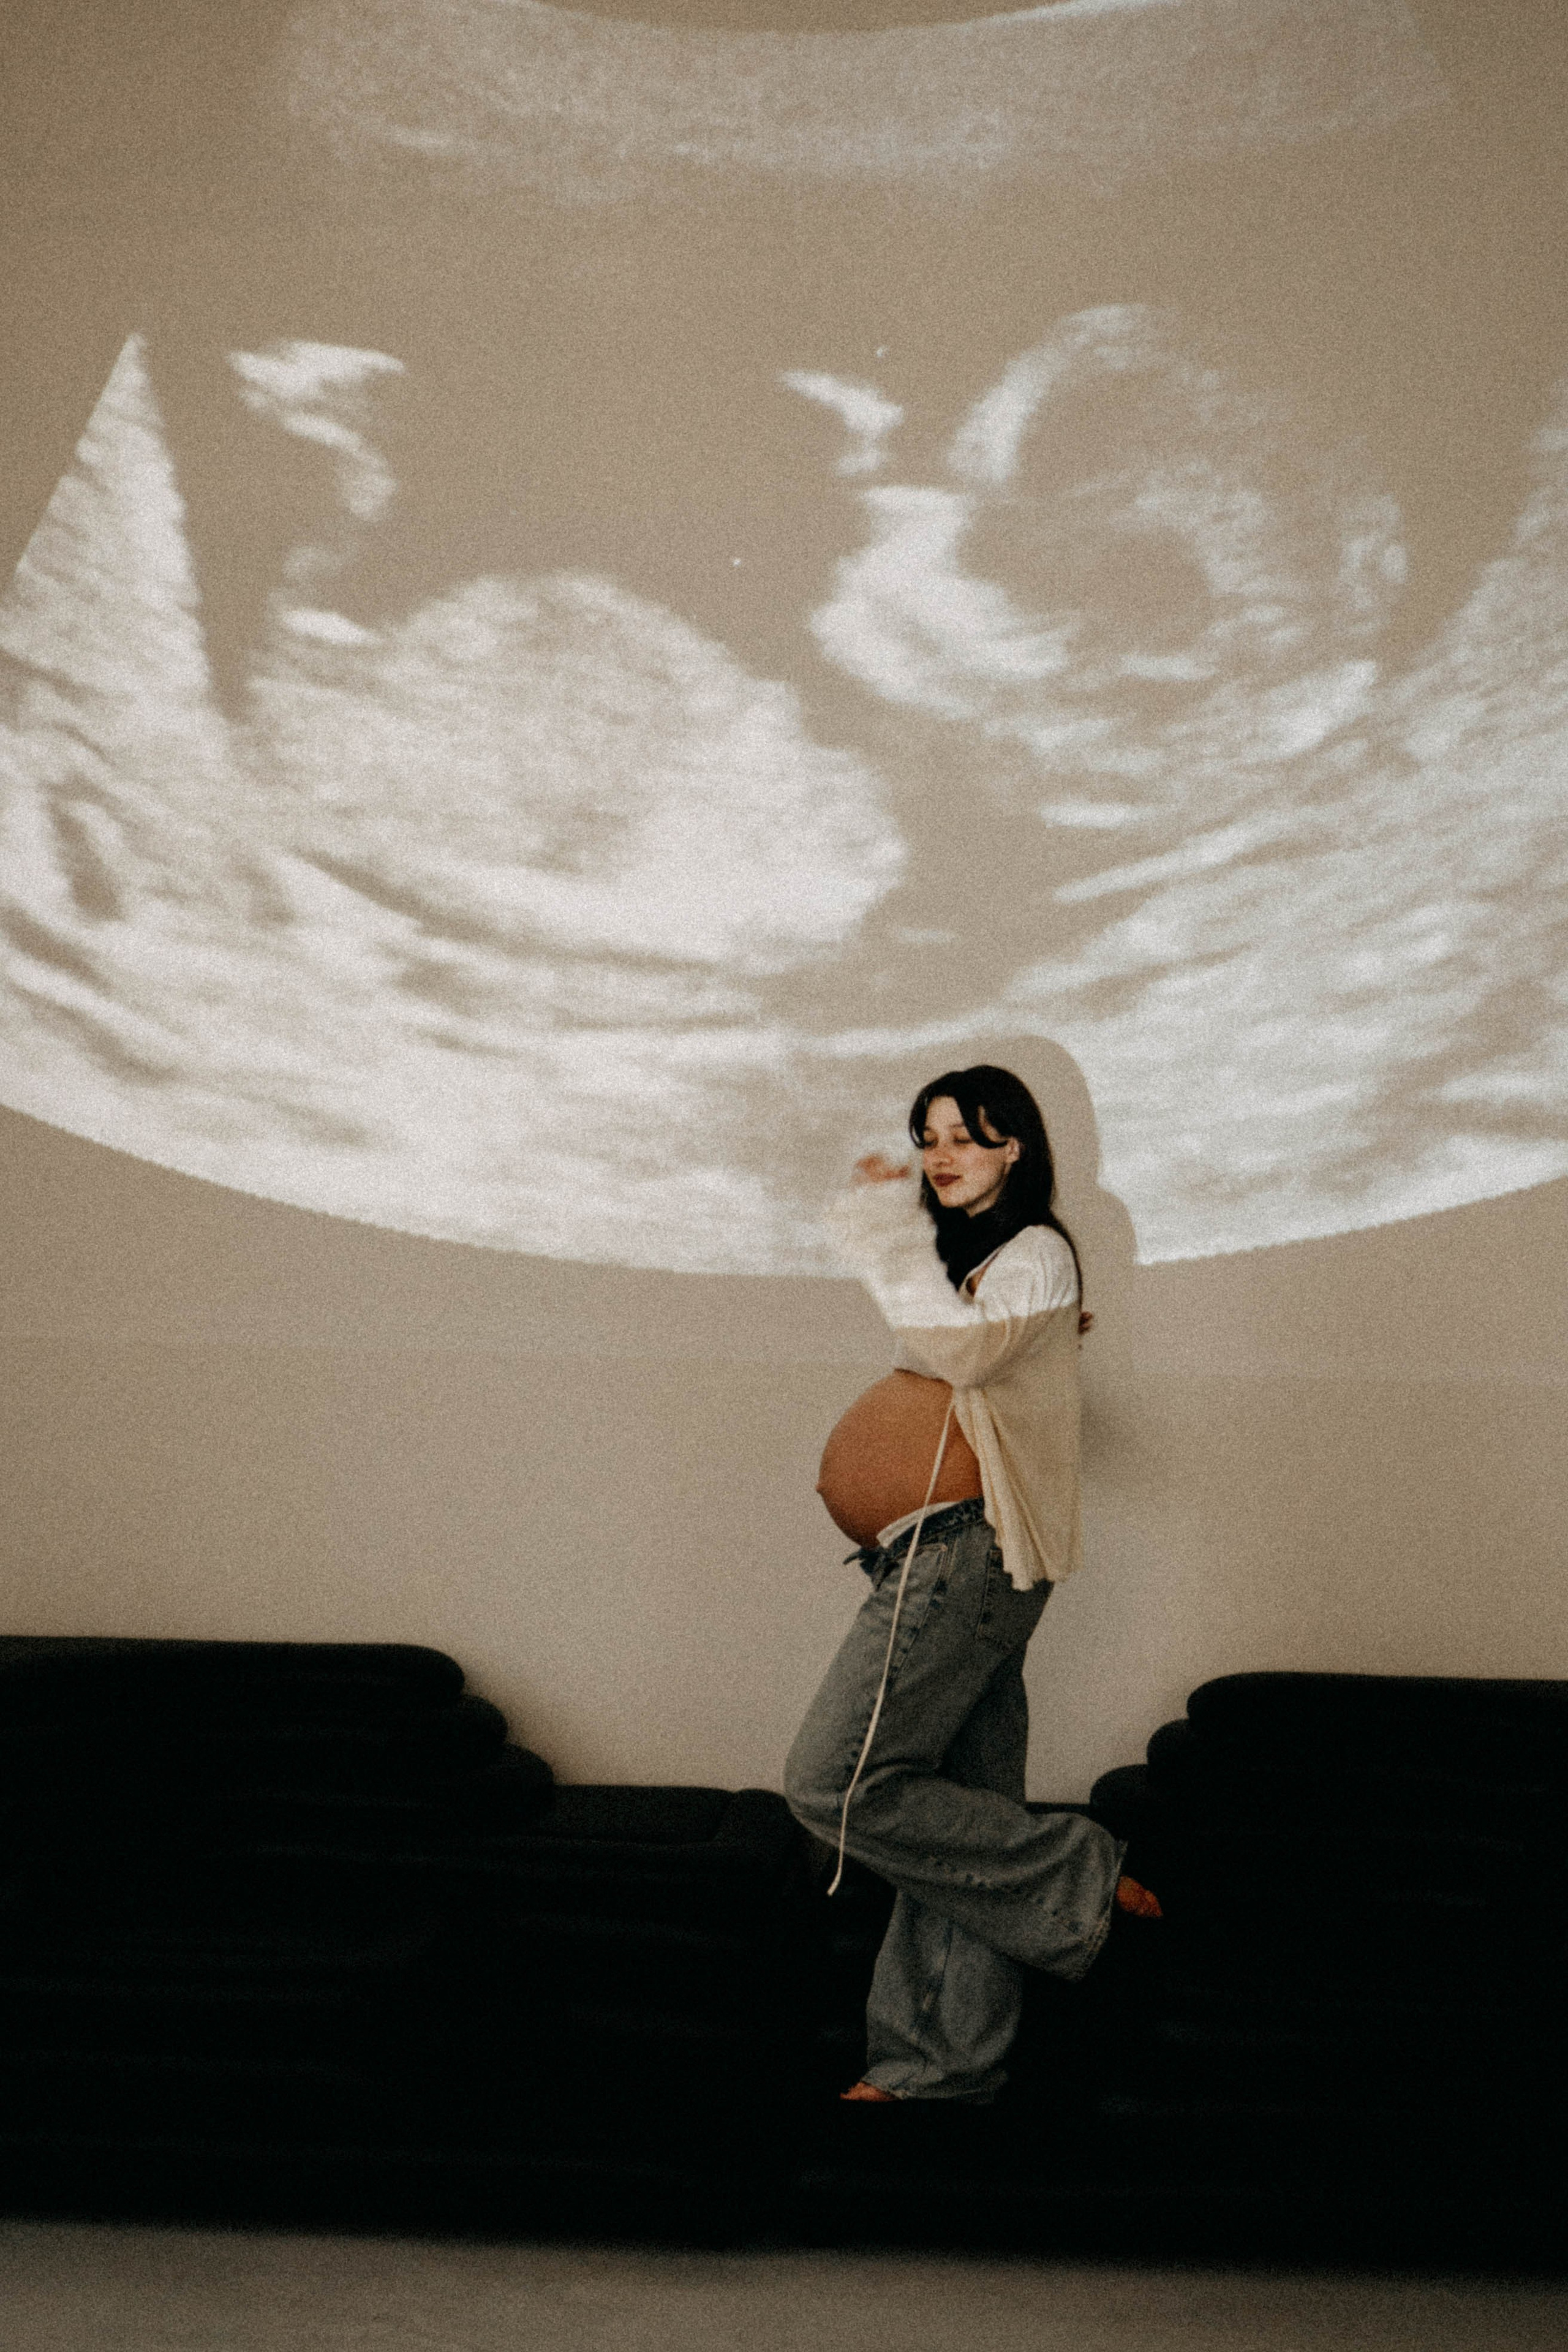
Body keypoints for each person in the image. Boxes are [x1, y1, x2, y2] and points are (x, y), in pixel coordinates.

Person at [783, 1063, 1159, 2106]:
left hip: (964, 1557)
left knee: (835, 1783)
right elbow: (963, 1342)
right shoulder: (987, 1267)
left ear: (1015, 1150)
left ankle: (1077, 1870)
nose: (940, 1155)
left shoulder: (1037, 1252)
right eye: (929, 1137)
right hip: (939, 1558)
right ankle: (938, 2069)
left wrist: (883, 1235)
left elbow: (961, 1356)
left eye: (966, 1136)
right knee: (961, 1815)